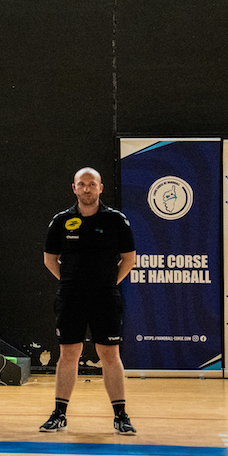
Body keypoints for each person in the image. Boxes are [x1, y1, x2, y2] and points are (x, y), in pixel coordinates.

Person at [41, 167, 138, 435]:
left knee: (110, 354)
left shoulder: (116, 221)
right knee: (68, 354)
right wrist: (69, 282)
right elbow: (50, 259)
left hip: (105, 297)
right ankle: (59, 414)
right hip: (70, 298)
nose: (86, 188)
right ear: (74, 188)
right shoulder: (61, 221)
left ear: (100, 188)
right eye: (81, 184)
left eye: (91, 184)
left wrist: (108, 284)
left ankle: (120, 415)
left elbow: (129, 259)